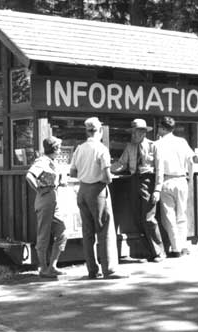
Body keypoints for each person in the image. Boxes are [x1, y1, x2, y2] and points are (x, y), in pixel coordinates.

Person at [70, 117, 127, 279]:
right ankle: (109, 269)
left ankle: (92, 270)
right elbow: (108, 177)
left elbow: (73, 172)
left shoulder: (79, 149)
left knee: (87, 232)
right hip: (97, 190)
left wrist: (85, 173)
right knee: (105, 230)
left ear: (87, 131)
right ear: (100, 131)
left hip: (82, 190)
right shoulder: (101, 149)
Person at [111, 118, 165, 263]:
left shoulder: (153, 146)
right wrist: (105, 169)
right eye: (133, 132)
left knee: (149, 218)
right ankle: (147, 252)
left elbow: (160, 169)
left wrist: (157, 190)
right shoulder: (130, 147)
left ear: (143, 132)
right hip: (134, 181)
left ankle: (159, 252)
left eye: (137, 132)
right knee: (138, 218)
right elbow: (122, 164)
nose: (134, 135)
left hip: (149, 181)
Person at [153, 116, 198, 257]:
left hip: (167, 181)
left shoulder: (158, 145)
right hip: (182, 180)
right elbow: (191, 162)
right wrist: (189, 179)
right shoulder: (182, 141)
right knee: (182, 215)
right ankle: (183, 245)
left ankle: (176, 248)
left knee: (169, 216)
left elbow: (159, 168)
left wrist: (157, 187)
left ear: (162, 128)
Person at [26, 136, 68, 278]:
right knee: (43, 234)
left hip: (53, 198)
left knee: (62, 232)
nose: (60, 150)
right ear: (54, 149)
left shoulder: (52, 162)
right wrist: (38, 189)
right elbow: (30, 176)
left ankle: (52, 266)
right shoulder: (42, 161)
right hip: (45, 198)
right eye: (59, 148)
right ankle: (43, 268)